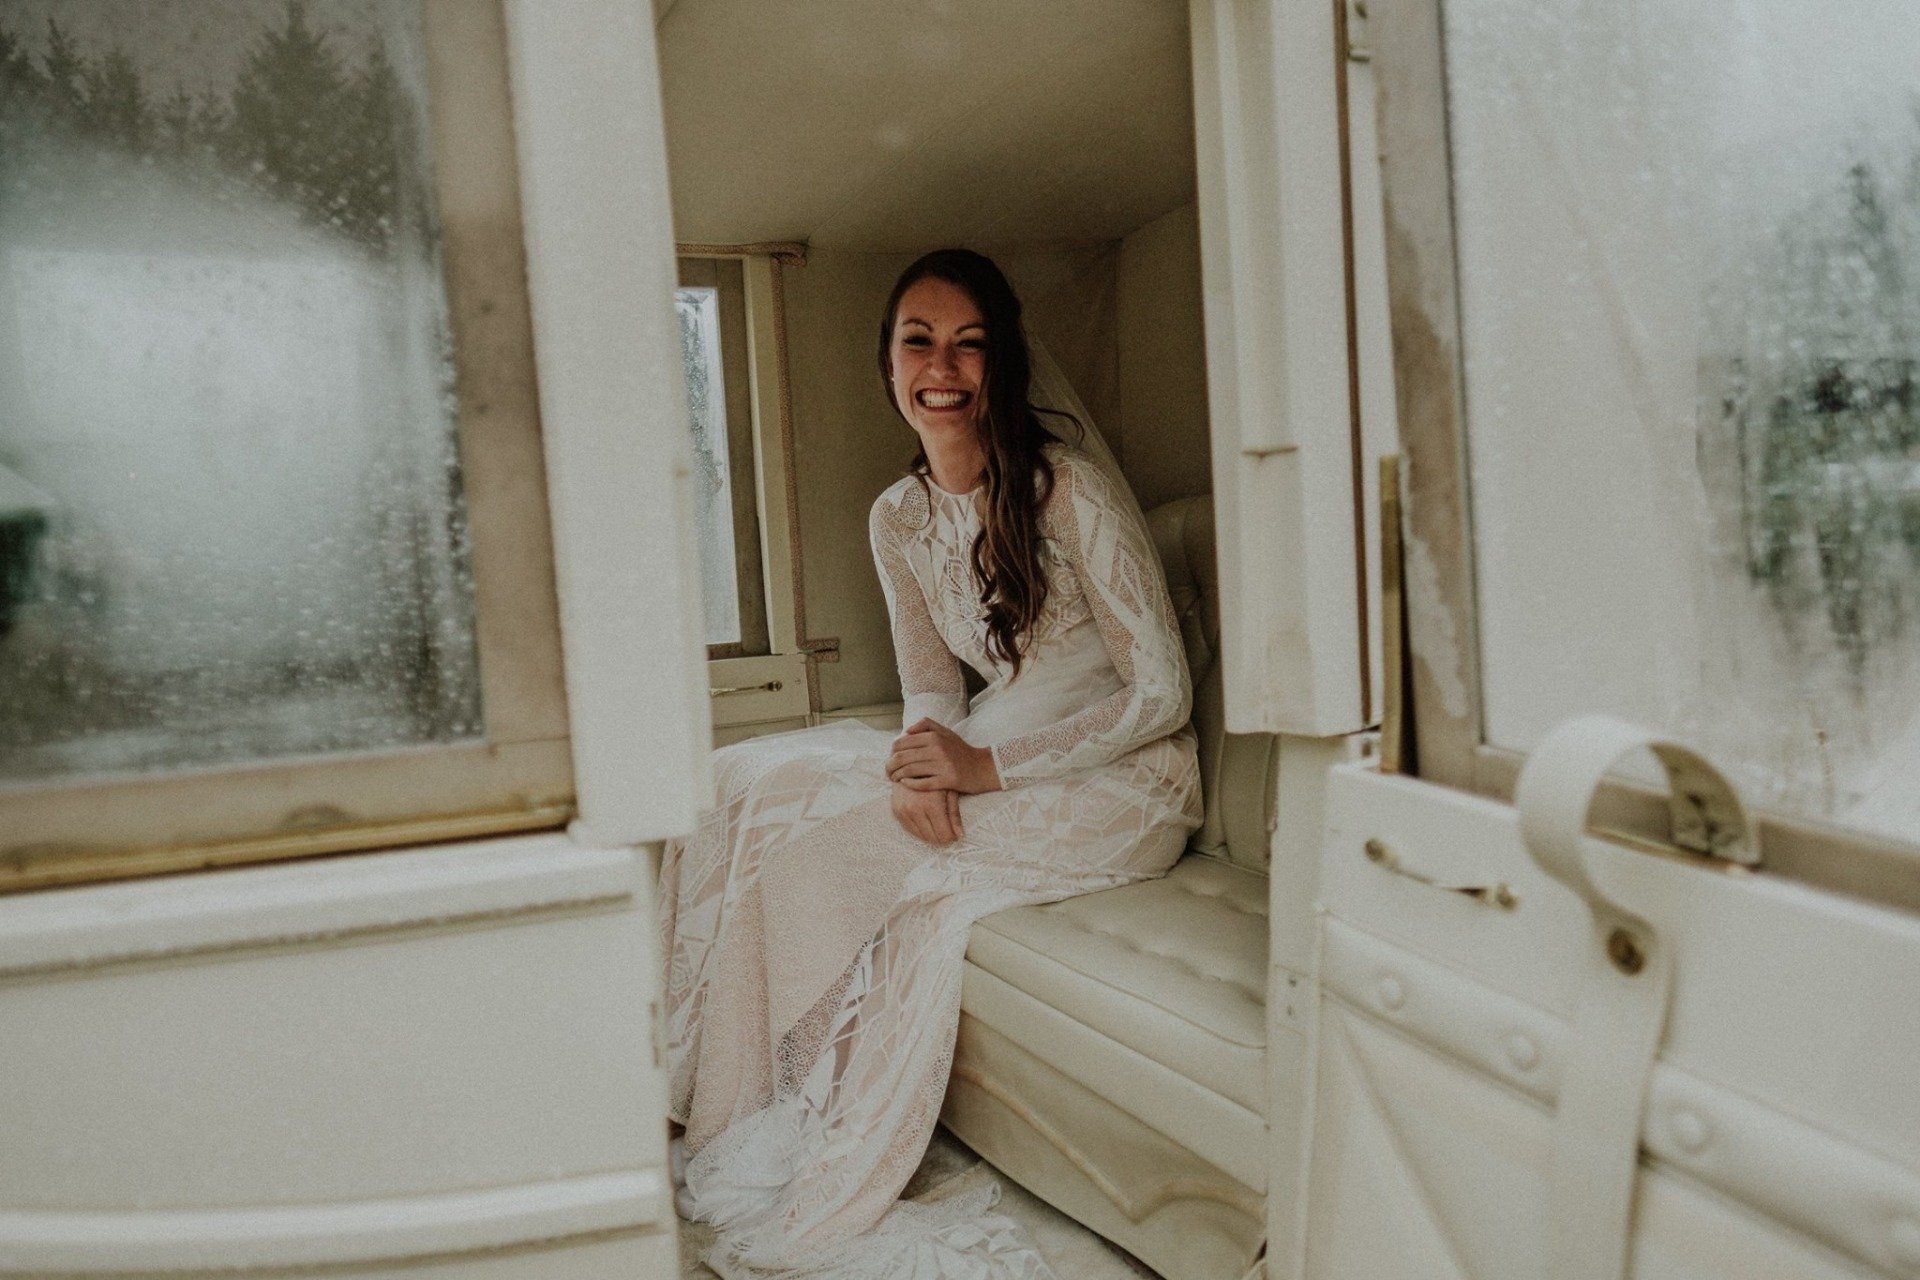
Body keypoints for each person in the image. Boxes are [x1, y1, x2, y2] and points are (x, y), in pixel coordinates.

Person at [659, 248, 1202, 1279]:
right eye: (919, 342)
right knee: (748, 782)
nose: (942, 367)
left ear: (1001, 363)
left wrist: (980, 772)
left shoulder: (1069, 490)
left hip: (1126, 778)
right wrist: (921, 764)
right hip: (993, 736)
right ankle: (722, 1104)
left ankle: (786, 1112)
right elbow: (931, 687)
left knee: (824, 851)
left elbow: (1161, 694)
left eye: (969, 343)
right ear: (889, 363)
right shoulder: (897, 515)